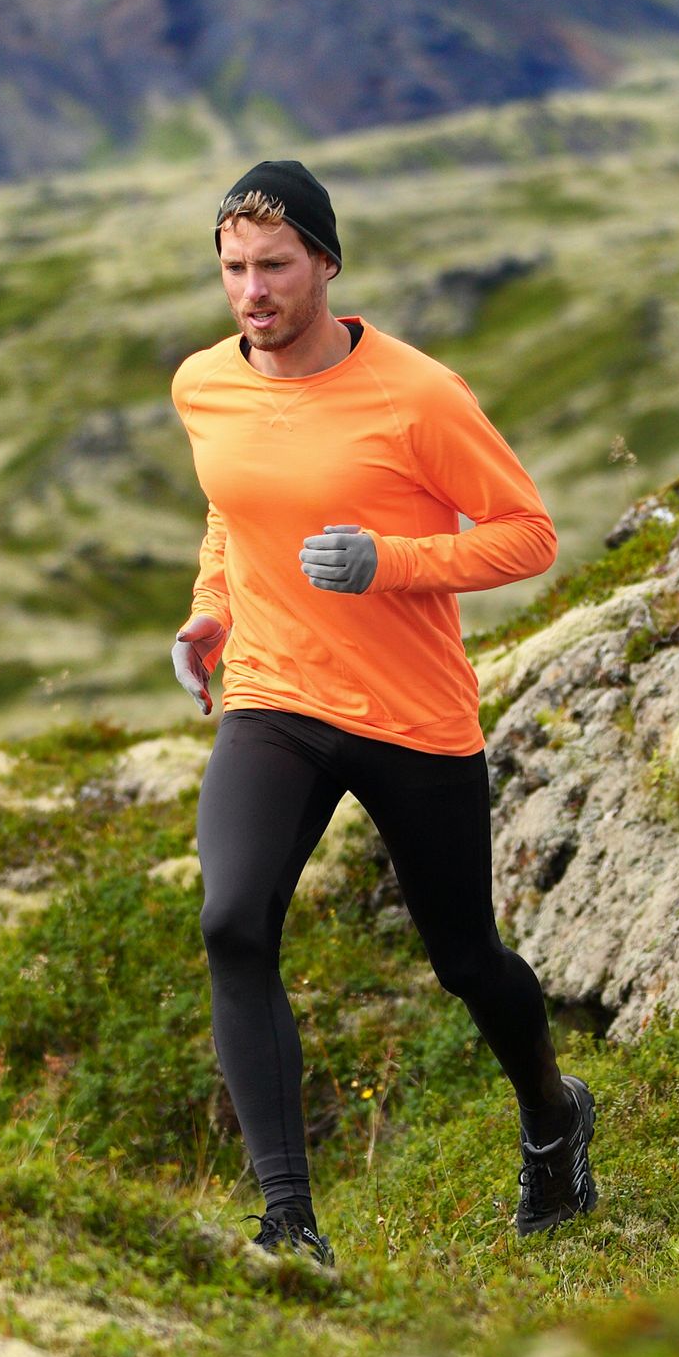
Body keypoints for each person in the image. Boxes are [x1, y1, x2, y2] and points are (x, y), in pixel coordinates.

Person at [168, 156, 596, 1270]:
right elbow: (229, 514)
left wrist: (391, 560)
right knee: (232, 918)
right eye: (233, 269)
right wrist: (212, 611)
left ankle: (553, 1113)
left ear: (325, 263)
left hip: (411, 714)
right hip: (274, 695)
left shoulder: (417, 394)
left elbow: (528, 534)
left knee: (463, 957)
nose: (252, 290)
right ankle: (289, 1220)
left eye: (274, 266)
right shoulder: (203, 383)